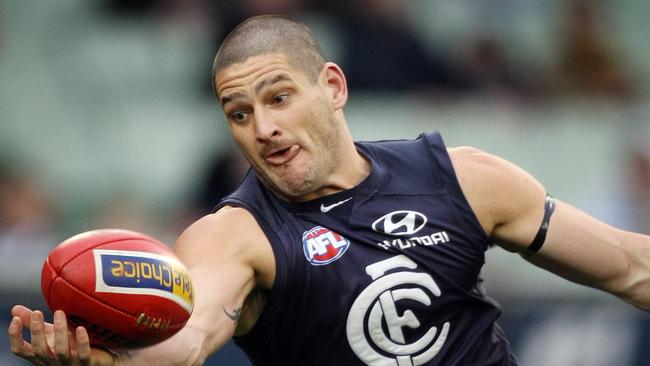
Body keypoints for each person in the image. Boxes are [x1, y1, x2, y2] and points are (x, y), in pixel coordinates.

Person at [8, 15, 650, 366]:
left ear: (334, 88)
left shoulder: (462, 178)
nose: (263, 128)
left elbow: (629, 268)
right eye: (238, 113)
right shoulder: (234, 237)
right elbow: (189, 338)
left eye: (279, 97)